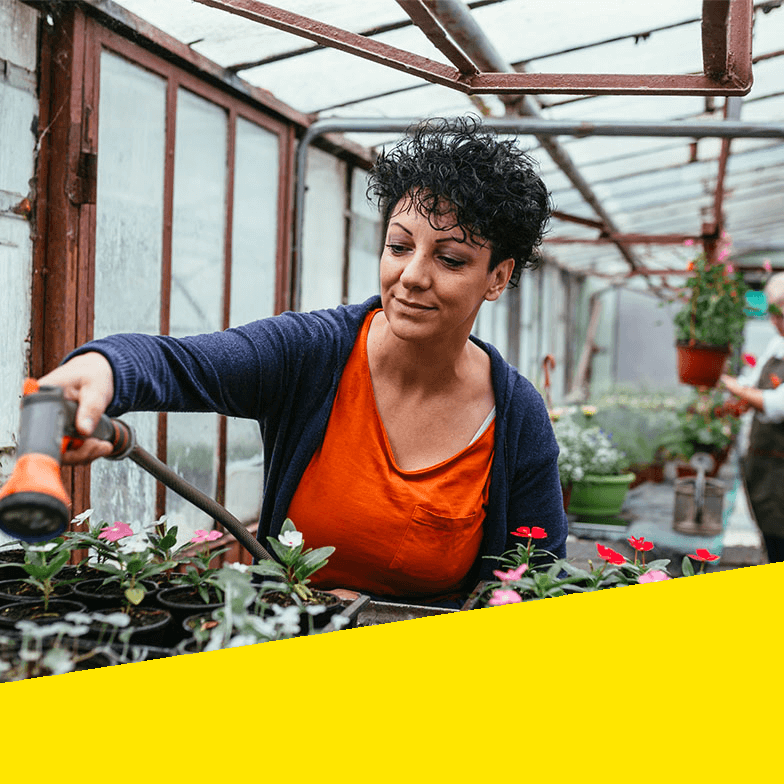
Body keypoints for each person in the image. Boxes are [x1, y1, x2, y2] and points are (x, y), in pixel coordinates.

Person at [38, 116, 567, 605]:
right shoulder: (313, 353)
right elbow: (184, 363)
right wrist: (102, 370)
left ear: (497, 277)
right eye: (399, 247)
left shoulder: (514, 416)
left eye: (450, 259)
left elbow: (539, 579)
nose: (411, 276)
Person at [720, 271, 784, 563]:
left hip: (779, 473)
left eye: (779, 313)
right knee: (771, 541)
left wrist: (733, 386)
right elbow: (756, 384)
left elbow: (776, 405)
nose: (774, 321)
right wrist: (742, 397)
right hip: (764, 467)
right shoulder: (776, 344)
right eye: (772, 313)